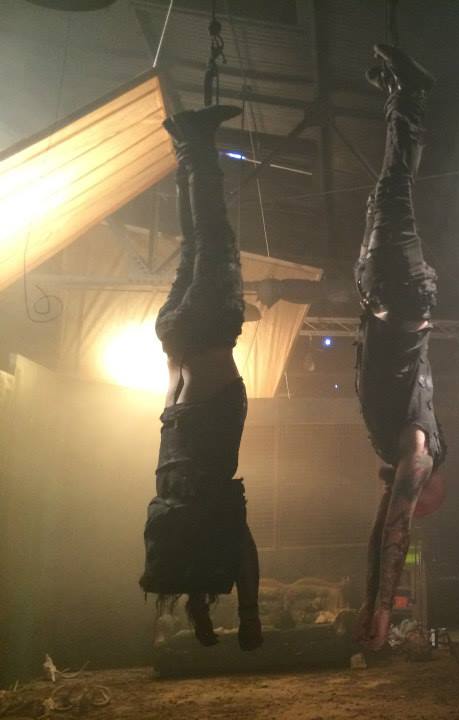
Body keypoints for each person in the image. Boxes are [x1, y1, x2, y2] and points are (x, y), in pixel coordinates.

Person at [139, 104, 262, 651]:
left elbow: (242, 552)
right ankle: (185, 144)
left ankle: (198, 140)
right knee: (193, 244)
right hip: (172, 336)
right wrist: (199, 608)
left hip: (207, 332)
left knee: (215, 237)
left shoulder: (214, 504)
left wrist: (251, 617)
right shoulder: (172, 496)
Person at [352, 44, 447, 651]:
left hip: (387, 296)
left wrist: (370, 597)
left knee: (385, 194)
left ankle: (401, 94)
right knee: (393, 189)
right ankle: (409, 91)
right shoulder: (417, 447)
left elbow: (382, 527)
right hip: (400, 296)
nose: (414, 504)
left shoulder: (401, 444)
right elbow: (394, 530)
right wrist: (383, 607)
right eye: (419, 502)